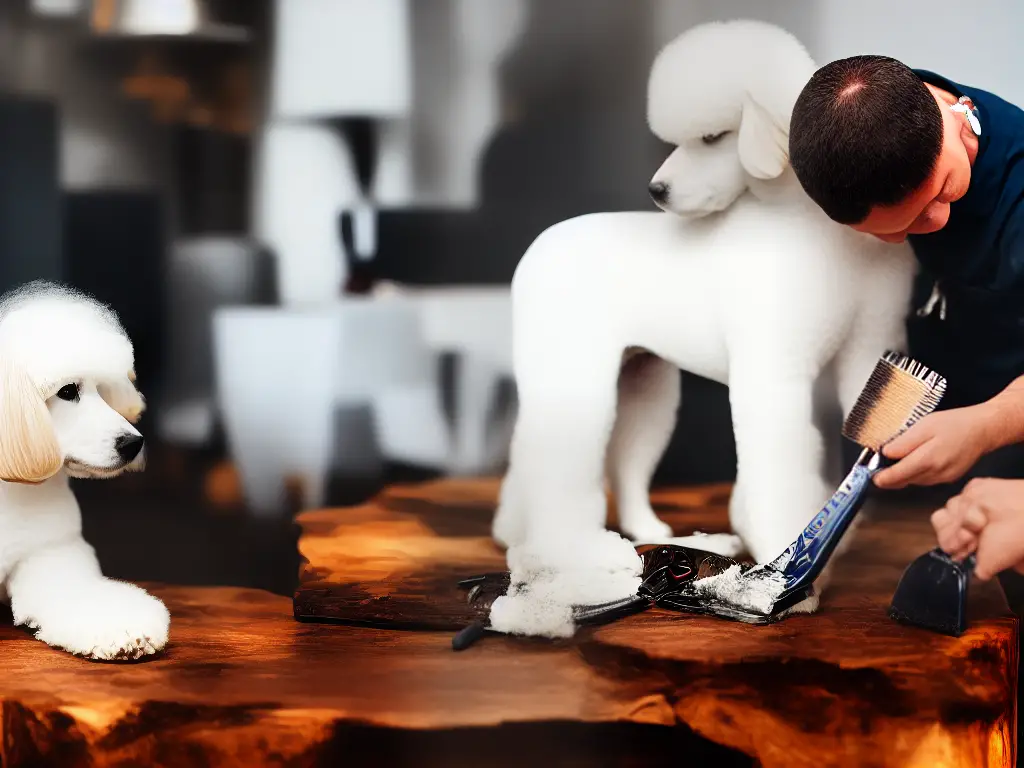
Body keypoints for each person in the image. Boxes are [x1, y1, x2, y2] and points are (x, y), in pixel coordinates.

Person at [787, 56, 1024, 580]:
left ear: (958, 117)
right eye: (902, 227)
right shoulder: (877, 111)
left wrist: (986, 427)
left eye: (943, 191)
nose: (934, 221)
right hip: (920, 415)